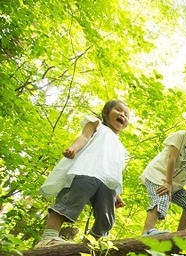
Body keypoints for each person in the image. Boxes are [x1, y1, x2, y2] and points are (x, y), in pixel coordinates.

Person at [36, 100, 130, 248]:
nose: (122, 115)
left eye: (126, 115)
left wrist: (117, 194)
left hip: (108, 182)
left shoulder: (120, 147)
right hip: (88, 170)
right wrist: (73, 148)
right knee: (71, 199)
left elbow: (114, 167)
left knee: (107, 219)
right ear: (106, 112)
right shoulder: (97, 124)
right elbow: (84, 137)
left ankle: (88, 247)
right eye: (118, 110)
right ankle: (48, 238)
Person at [139, 101, 186, 236]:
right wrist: (167, 182)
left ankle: (180, 235)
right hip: (158, 176)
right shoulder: (180, 136)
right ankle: (147, 232)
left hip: (174, 186)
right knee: (162, 197)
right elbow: (171, 158)